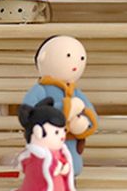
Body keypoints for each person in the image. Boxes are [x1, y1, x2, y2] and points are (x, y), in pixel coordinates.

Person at [22, 35, 98, 176]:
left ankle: (67, 181)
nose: (75, 63)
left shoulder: (75, 92)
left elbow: (92, 117)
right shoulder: (40, 90)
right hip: (46, 141)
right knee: (48, 166)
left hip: (70, 141)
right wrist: (65, 107)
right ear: (42, 58)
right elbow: (28, 113)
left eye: (81, 58)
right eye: (68, 56)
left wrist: (81, 123)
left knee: (72, 166)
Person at [6, 97, 76, 191]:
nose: (63, 136)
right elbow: (39, 170)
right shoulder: (37, 156)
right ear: (38, 132)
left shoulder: (59, 151)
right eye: (56, 132)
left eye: (63, 131)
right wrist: (56, 167)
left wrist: (64, 166)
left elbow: (61, 161)